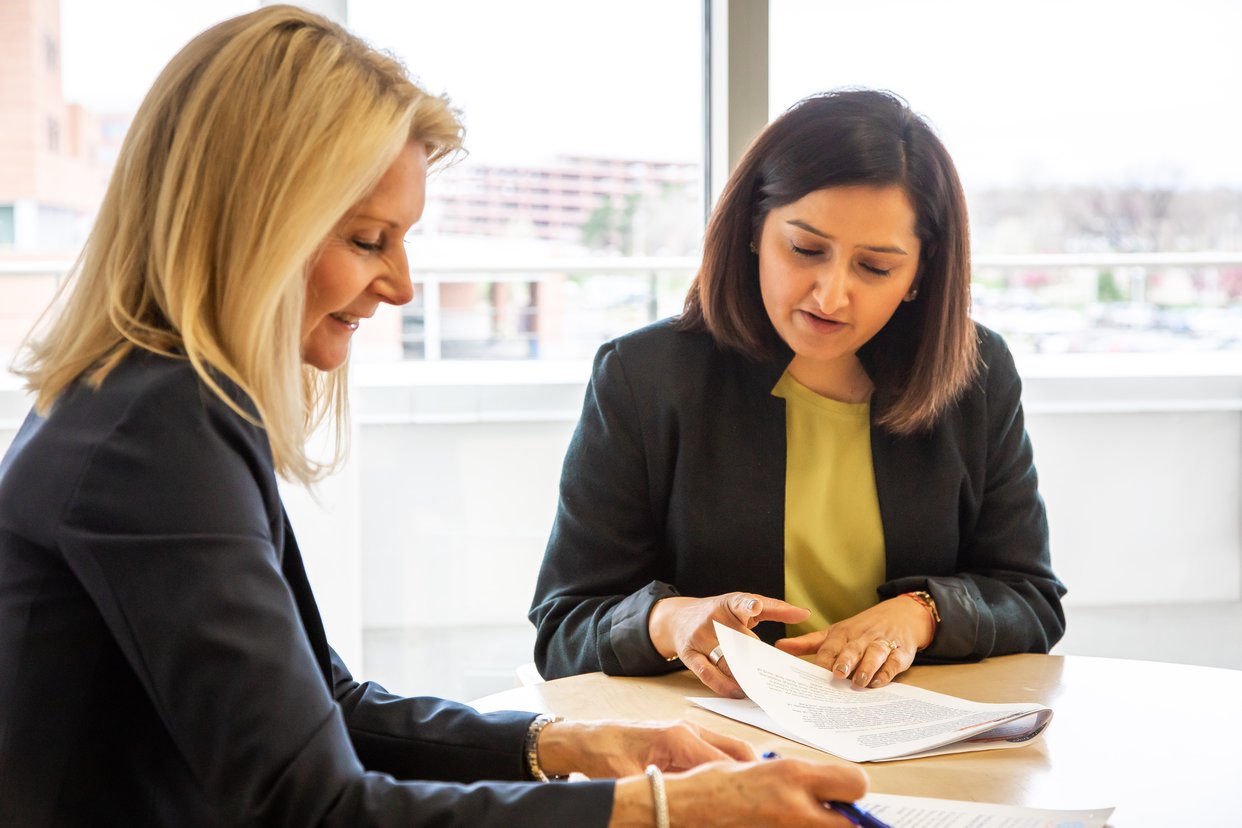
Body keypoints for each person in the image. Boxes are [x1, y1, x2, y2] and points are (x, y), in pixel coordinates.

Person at [0, 8, 868, 826]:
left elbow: (326, 710)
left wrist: (569, 745)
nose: (402, 285)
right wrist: (669, 809)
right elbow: (316, 806)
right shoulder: (156, 435)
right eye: (368, 239)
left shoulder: (153, 400)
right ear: (255, 227)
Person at [530, 89, 1067, 699]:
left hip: (908, 731)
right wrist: (671, 621)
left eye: (876, 268)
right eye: (805, 250)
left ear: (921, 274)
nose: (830, 296)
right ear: (754, 230)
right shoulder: (645, 375)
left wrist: (920, 615)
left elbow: (1031, 600)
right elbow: (564, 627)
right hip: (715, 750)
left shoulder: (976, 371)